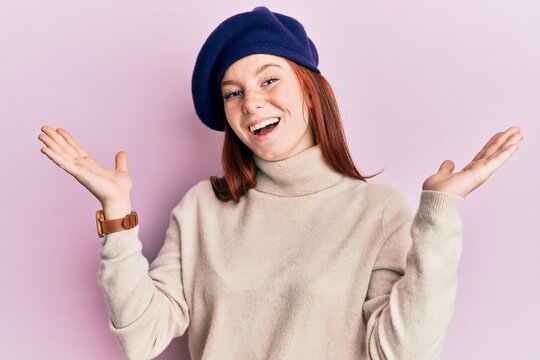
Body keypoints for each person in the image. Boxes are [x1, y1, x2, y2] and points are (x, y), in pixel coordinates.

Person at [38, 6, 523, 360]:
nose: (251, 104)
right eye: (234, 93)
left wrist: (440, 211)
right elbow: (142, 339)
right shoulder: (203, 208)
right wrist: (117, 213)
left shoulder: (377, 212)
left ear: (310, 93)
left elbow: (403, 353)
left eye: (270, 80)